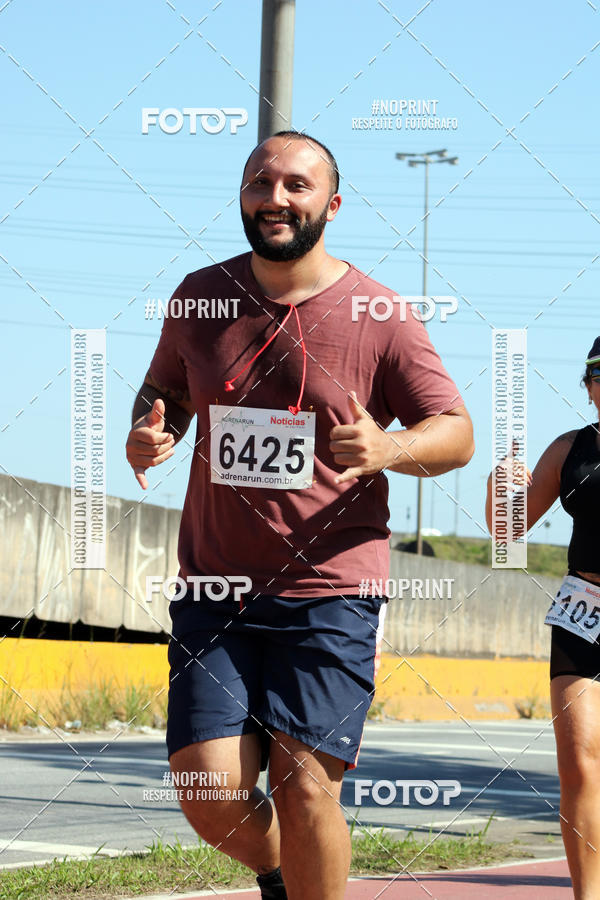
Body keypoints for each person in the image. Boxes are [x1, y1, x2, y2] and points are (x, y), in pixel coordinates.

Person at [126, 131, 474, 900]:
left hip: (331, 589)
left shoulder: (380, 312)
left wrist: (387, 449)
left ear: (332, 204)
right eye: (260, 183)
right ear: (242, 195)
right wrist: (151, 432)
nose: (275, 198)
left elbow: (457, 433)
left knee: (306, 785)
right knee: (209, 793)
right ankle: (286, 878)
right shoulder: (199, 296)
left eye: (296, 185)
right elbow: (168, 392)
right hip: (215, 589)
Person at [485, 338, 600, 900]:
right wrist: (499, 485)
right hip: (585, 612)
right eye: (598, 376)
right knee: (579, 760)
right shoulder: (570, 449)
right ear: (588, 387)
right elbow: (507, 535)